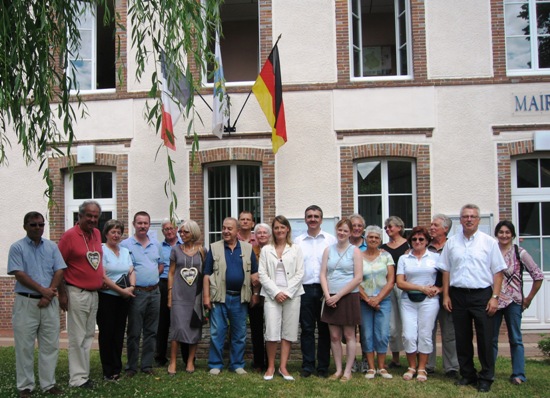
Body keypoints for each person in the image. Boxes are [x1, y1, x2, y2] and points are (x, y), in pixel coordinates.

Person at [438, 204, 506, 393]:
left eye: (473, 216)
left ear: (478, 220)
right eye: (465, 216)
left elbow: (498, 272)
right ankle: (467, 374)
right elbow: (446, 270)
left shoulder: (489, 242)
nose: (469, 219)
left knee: (485, 338)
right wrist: (446, 295)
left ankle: (486, 377)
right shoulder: (451, 242)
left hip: (482, 295)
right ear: (460, 220)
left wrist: (495, 297)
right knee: (462, 337)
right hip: (458, 295)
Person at [8, 212, 66, 397]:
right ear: (25, 226)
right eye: (33, 225)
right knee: (24, 346)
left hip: (48, 303)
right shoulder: (17, 248)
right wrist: (44, 291)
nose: (38, 228)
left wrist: (49, 295)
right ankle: (25, 386)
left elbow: (59, 270)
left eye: (41, 224)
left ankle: (48, 384)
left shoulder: (51, 247)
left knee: (50, 345)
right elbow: (19, 274)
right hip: (26, 302)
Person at [203, 217, 259, 375]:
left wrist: (255, 294)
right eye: (224, 228)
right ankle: (215, 364)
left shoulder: (248, 249)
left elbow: (254, 274)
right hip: (219, 297)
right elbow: (206, 274)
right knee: (216, 332)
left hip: (240, 298)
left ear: (237, 232)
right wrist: (206, 297)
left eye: (229, 229)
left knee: (239, 334)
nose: (226, 231)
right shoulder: (214, 248)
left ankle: (237, 364)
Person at [58, 200, 104, 389]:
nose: (92, 220)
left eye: (95, 217)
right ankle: (77, 379)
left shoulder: (96, 234)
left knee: (87, 335)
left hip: (94, 293)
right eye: (89, 216)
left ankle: (83, 375)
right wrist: (62, 293)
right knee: (77, 337)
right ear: (80, 216)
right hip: (76, 292)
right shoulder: (69, 236)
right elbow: (58, 266)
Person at [492, 220, 543, 385]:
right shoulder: (491, 252)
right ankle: (488, 371)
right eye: (501, 232)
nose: (504, 235)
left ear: (512, 235)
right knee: (490, 338)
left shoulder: (519, 253)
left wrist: (528, 299)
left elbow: (538, 275)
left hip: (514, 302)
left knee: (515, 338)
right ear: (496, 234)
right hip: (494, 300)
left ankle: (518, 374)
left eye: (507, 232)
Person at [259, 215, 304, 381]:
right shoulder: (265, 250)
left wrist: (287, 292)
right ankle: (270, 366)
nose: (279, 230)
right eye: (276, 227)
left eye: (282, 227)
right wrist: (276, 292)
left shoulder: (296, 248)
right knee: (271, 331)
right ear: (273, 230)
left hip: (292, 295)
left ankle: (283, 367)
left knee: (289, 331)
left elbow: (300, 273)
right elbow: (262, 274)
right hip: (272, 296)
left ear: (288, 229)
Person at [294, 205, 337, 378]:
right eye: (309, 216)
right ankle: (308, 365)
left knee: (325, 329)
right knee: (307, 329)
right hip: (303, 289)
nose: (313, 219)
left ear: (321, 219)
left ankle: (323, 367)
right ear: (305, 219)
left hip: (324, 289)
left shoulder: (330, 240)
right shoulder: (297, 241)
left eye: (316, 216)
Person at [320, 218, 362, 382]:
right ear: (336, 230)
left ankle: (347, 371)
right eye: (340, 230)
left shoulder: (355, 251)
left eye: (346, 230)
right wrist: (328, 295)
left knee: (349, 335)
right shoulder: (328, 250)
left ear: (350, 233)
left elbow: (358, 278)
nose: (342, 233)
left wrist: (338, 295)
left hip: (348, 296)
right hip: (331, 297)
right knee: (335, 336)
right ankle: (337, 370)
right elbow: (323, 274)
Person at [120, 211, 162, 377]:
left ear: (149, 225)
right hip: (137, 293)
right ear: (134, 224)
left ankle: (146, 365)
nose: (142, 226)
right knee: (134, 332)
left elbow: (159, 265)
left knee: (151, 331)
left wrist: (151, 275)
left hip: (155, 292)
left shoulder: (156, 244)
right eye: (139, 223)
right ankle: (131, 366)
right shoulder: (126, 245)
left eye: (145, 223)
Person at [397, 226, 441, 382]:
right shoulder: (404, 259)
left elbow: (446, 278)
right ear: (410, 241)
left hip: (429, 302)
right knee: (408, 334)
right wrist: (420, 288)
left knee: (425, 334)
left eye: (421, 239)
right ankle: (411, 366)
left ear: (427, 241)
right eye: (414, 239)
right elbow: (400, 282)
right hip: (408, 300)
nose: (417, 242)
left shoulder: (435, 258)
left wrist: (439, 289)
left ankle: (422, 368)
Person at [97, 219, 136, 381]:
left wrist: (132, 287)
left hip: (124, 299)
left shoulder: (125, 251)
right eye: (113, 232)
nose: (116, 235)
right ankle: (107, 370)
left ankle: (116, 368)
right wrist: (122, 291)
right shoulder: (101, 250)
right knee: (107, 334)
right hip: (107, 298)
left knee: (119, 334)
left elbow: (131, 270)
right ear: (106, 233)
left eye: (119, 232)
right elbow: (103, 277)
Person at [167, 220, 206, 375]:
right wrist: (170, 294)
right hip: (178, 295)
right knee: (177, 329)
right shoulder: (175, 250)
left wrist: (205, 297)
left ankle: (190, 361)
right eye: (181, 232)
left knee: (194, 329)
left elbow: (205, 275)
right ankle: (173, 361)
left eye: (185, 232)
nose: (182, 234)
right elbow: (171, 272)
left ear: (193, 233)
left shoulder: (202, 251)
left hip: (195, 297)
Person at [359, 225, 395, 380]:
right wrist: (367, 299)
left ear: (380, 239)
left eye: (376, 237)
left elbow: (391, 279)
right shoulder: (358, 256)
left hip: (383, 300)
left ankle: (382, 367)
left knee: (382, 334)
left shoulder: (386, 256)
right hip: (363, 301)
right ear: (365, 238)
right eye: (370, 237)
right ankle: (371, 368)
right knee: (366, 334)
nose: (373, 239)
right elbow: (355, 280)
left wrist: (378, 298)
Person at [426, 214, 459, 378]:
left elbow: (456, 271)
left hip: (449, 296)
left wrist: (441, 289)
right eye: (431, 225)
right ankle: (428, 365)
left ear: (445, 229)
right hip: (428, 297)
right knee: (428, 332)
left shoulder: (452, 246)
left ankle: (451, 366)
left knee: (449, 333)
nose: (431, 227)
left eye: (435, 225)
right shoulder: (425, 247)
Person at [381, 215, 409, 369]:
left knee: (408, 322)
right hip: (389, 287)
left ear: (399, 227)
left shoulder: (409, 245)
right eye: (386, 227)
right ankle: (396, 358)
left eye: (390, 226)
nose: (388, 229)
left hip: (405, 287)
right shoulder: (383, 248)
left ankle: (414, 357)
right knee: (392, 326)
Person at [155, 219, 182, 367]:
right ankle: (160, 357)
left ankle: (185, 357)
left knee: (182, 320)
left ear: (176, 229)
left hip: (181, 284)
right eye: (166, 229)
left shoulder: (183, 245)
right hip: (163, 284)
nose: (169, 231)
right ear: (162, 231)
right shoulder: (159, 247)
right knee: (162, 322)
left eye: (171, 228)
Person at [250, 222, 272, 372]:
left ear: (269, 235)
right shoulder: (251, 251)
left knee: (271, 329)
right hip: (255, 294)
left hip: (271, 294)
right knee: (256, 329)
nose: (262, 235)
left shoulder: (274, 250)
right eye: (259, 233)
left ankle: (270, 362)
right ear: (255, 236)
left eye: (265, 232)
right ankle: (259, 362)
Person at [348, 213, 367, 373]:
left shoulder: (370, 246)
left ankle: (367, 361)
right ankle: (352, 361)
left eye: (359, 226)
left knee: (365, 330)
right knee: (349, 331)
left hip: (367, 295)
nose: (356, 228)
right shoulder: (342, 245)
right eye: (353, 225)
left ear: (363, 229)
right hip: (348, 293)